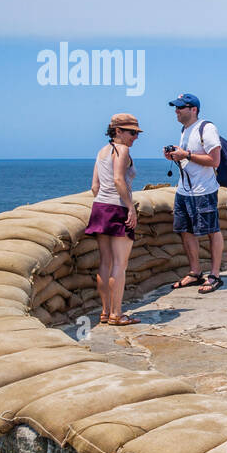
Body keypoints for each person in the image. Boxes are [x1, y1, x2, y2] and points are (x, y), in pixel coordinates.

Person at [164, 93, 225, 293]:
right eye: (176, 107)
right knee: (185, 230)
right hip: (184, 190)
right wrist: (175, 156)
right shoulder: (185, 130)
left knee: (211, 230)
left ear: (193, 109)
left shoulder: (207, 128)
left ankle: (215, 275)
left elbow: (214, 160)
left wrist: (186, 154)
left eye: (180, 107)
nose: (176, 111)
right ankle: (195, 272)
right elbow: (189, 159)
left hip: (203, 191)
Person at [84, 113, 141, 325]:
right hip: (117, 208)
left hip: (100, 207)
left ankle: (105, 312)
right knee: (120, 264)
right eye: (132, 132)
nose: (135, 137)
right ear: (118, 131)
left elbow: (94, 187)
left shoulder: (101, 151)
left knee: (105, 263)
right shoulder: (122, 150)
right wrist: (130, 209)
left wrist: (104, 203)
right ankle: (117, 314)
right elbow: (119, 179)